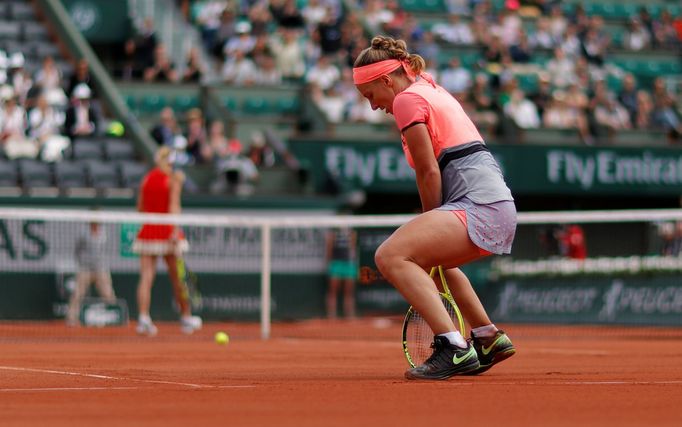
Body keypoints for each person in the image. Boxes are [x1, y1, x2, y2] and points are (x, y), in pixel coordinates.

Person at [353, 36, 516, 380]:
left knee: (391, 256)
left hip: (479, 205)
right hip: (496, 204)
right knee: (435, 262)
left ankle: (454, 347)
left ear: (386, 80)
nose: (372, 106)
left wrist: (429, 217)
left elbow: (428, 171)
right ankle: (487, 338)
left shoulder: (407, 100)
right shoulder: (429, 87)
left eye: (370, 95)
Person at [132, 146, 202, 336]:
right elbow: (174, 206)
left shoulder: (146, 179)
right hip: (167, 230)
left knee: (146, 277)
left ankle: (143, 318)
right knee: (177, 277)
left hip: (148, 229)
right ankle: (186, 318)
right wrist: (173, 230)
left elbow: (140, 207)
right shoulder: (174, 179)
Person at [66, 220, 117, 326]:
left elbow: (107, 249)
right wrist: (81, 263)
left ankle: (115, 316)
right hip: (85, 269)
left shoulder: (105, 232)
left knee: (108, 293)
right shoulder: (82, 232)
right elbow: (77, 250)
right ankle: (72, 318)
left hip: (101, 268)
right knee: (78, 293)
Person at [325, 226, 358, 319]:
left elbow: (353, 247)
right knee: (333, 290)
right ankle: (331, 315)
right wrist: (329, 263)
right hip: (336, 263)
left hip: (349, 264)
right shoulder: (333, 231)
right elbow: (329, 246)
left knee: (349, 291)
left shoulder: (352, 231)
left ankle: (350, 315)